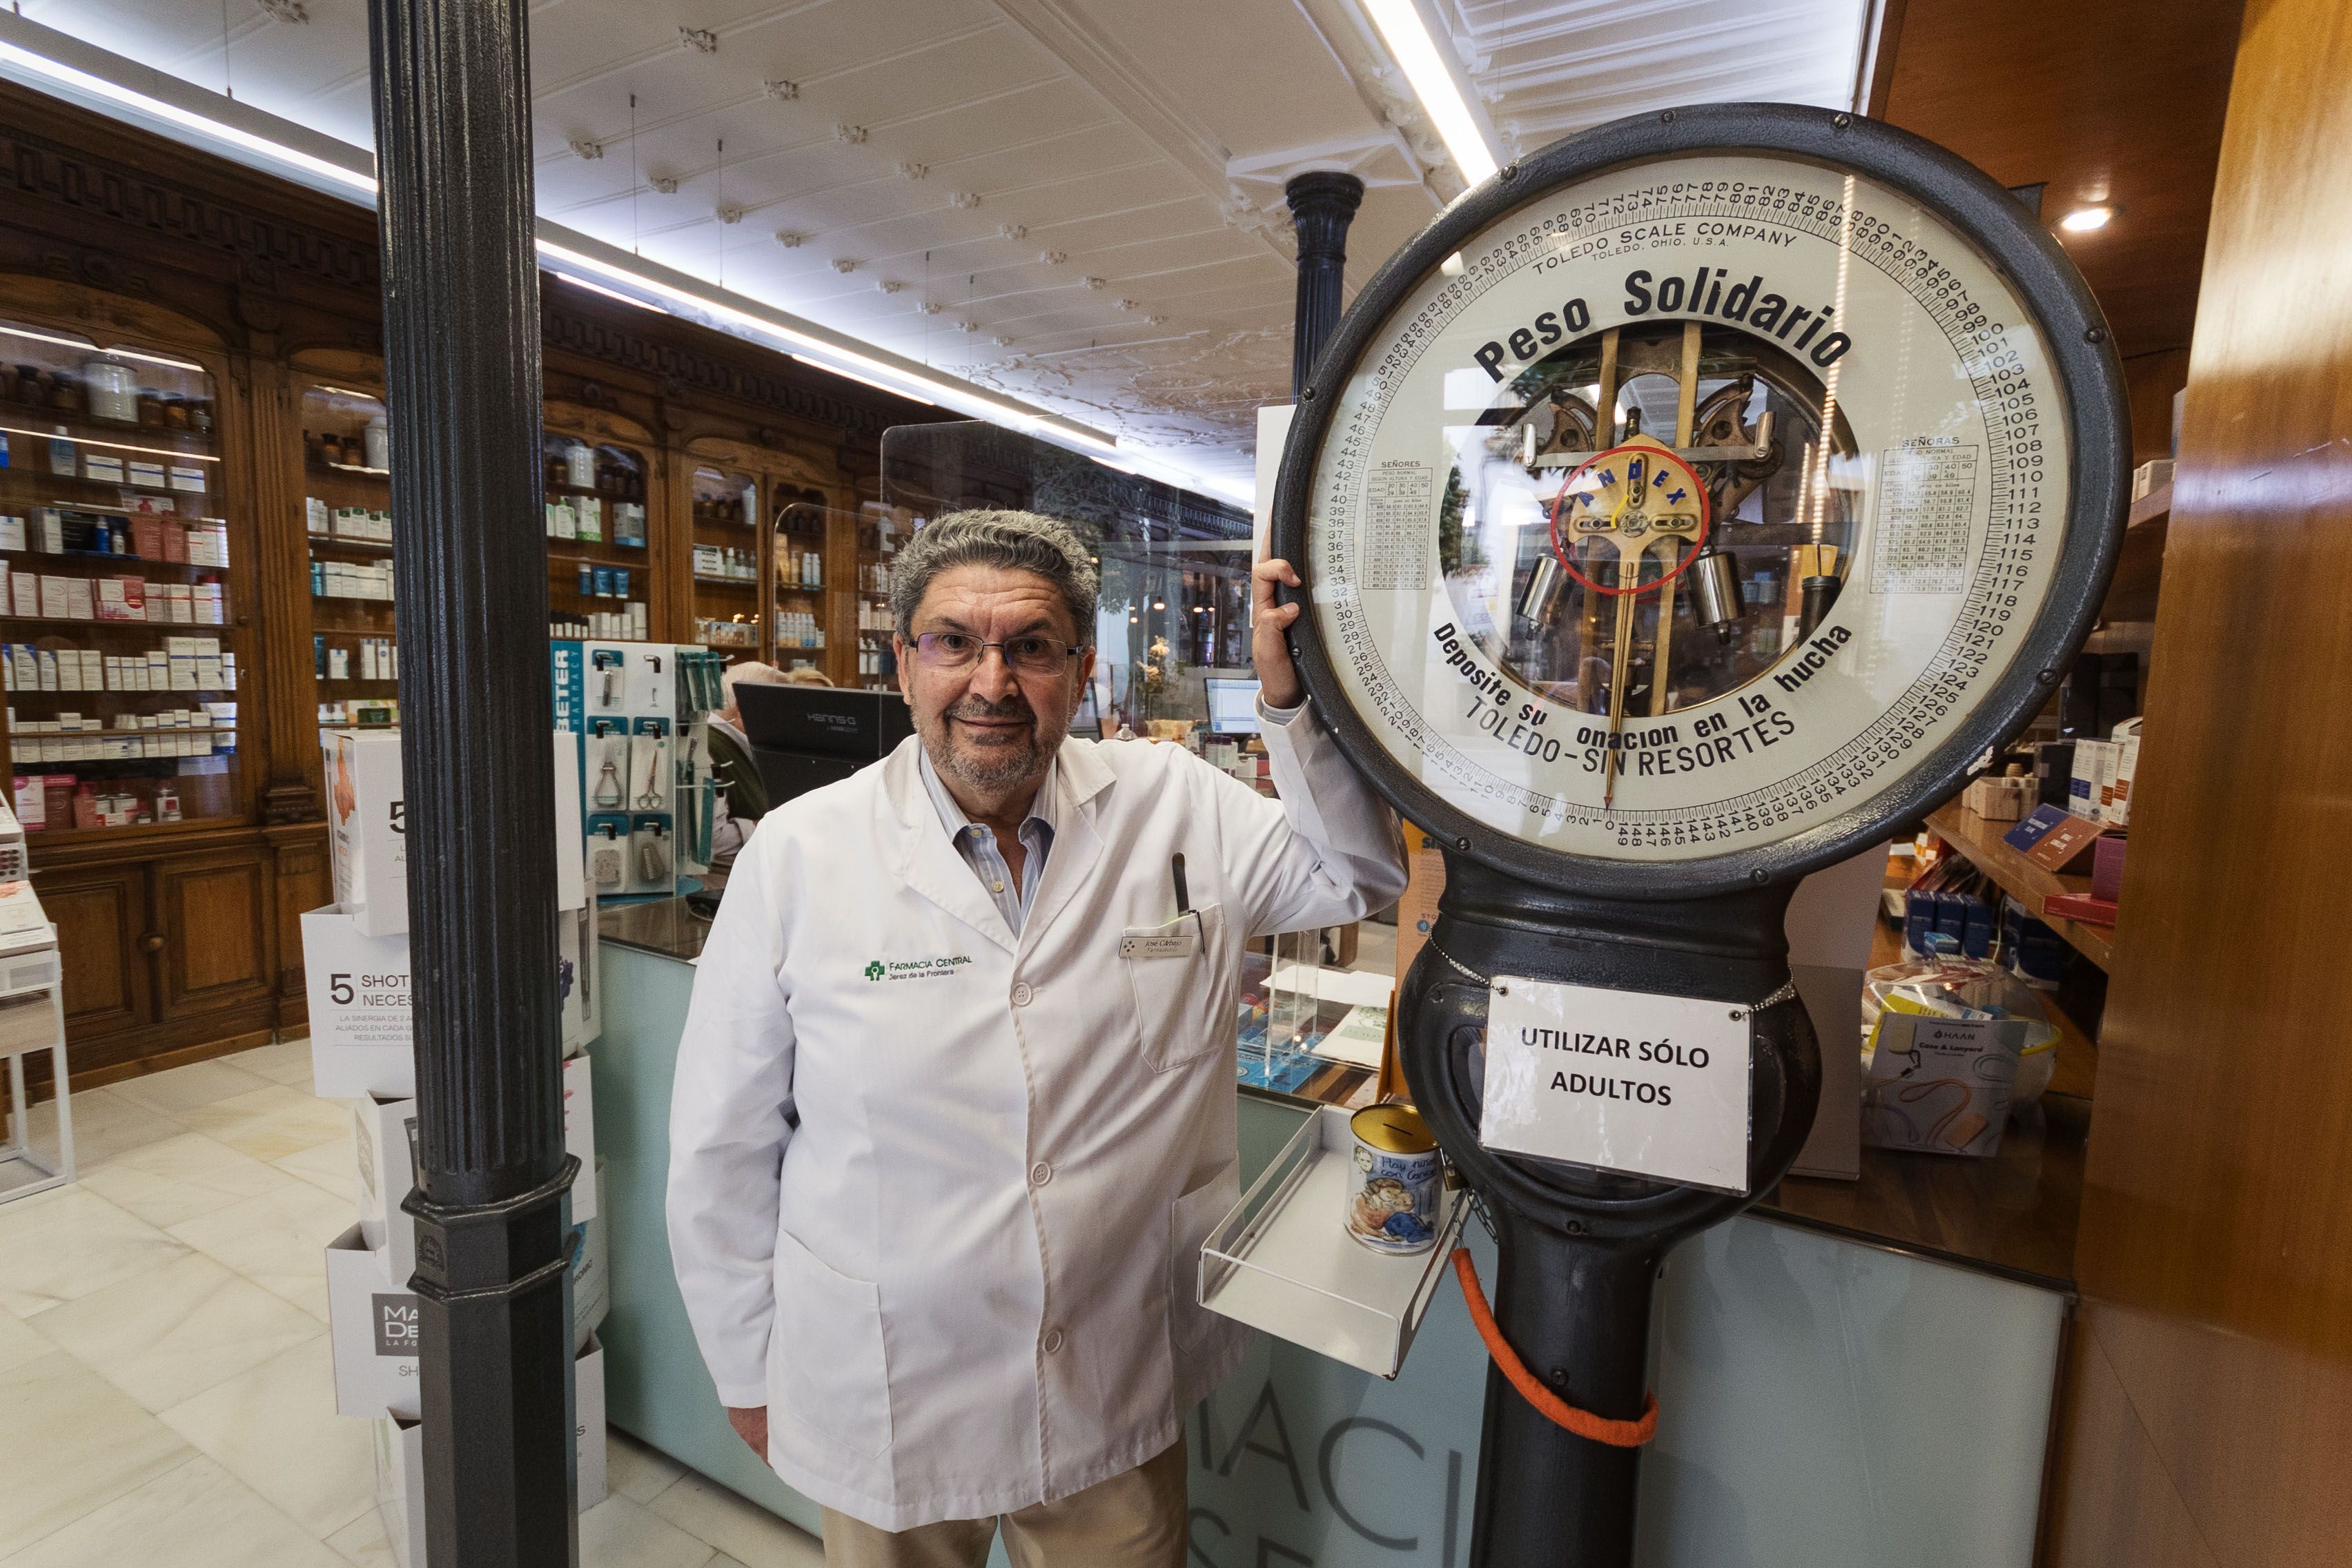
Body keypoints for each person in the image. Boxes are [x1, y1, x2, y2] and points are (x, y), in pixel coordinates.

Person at [667, 509, 1406, 1566]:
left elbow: (1358, 874)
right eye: (953, 642)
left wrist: (1288, 704)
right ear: (904, 664)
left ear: (1081, 668)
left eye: (1031, 647)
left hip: (1110, 1371)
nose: (992, 682)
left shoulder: (1173, 805)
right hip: (889, 1384)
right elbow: (722, 1147)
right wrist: (747, 1372)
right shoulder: (799, 856)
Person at [706, 660, 815, 864]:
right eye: (780, 709)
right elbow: (712, 840)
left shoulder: (744, 746)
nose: (786, 720)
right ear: (743, 708)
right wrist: (770, 828)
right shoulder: (707, 750)